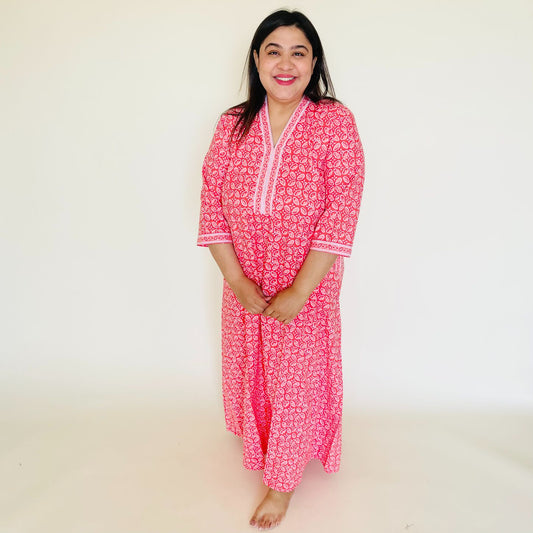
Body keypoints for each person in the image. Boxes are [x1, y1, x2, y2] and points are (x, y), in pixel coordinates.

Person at [197, 9, 365, 530]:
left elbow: (342, 208)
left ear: (314, 63)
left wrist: (300, 290)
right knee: (254, 368)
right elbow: (210, 203)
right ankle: (262, 444)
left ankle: (282, 482)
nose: (285, 64)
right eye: (274, 51)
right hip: (245, 278)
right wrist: (237, 280)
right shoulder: (232, 124)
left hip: (305, 281)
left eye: (299, 52)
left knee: (295, 378)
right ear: (256, 59)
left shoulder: (333, 122)